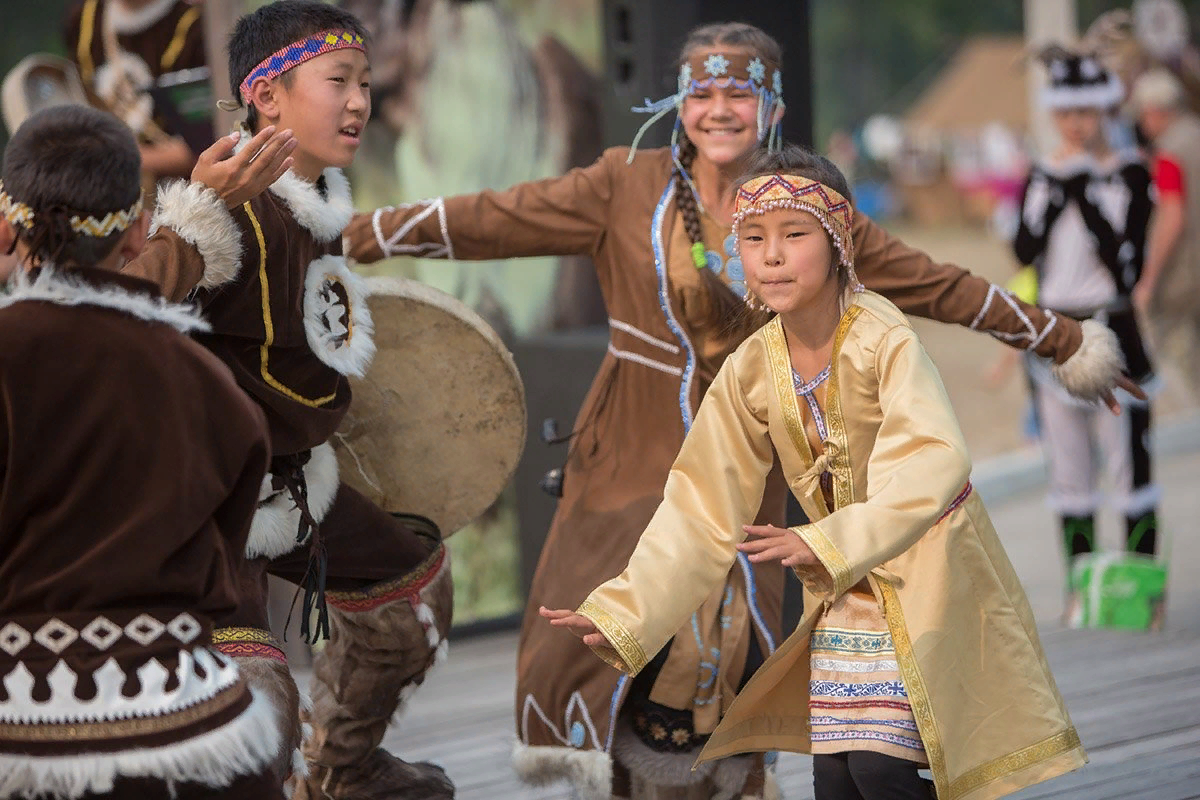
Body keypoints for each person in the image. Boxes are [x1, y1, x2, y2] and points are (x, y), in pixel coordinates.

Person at [343, 22, 1128, 799]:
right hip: (631, 457)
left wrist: (1063, 340)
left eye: (738, 91)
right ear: (680, 103)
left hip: (761, 475)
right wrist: (354, 234)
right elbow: (496, 217)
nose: (719, 109)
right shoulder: (625, 184)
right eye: (702, 91)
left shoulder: (818, 215)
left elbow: (937, 283)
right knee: (621, 655)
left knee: (750, 670)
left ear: (773, 102)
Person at [543, 144, 1088, 800]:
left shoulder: (883, 336)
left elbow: (935, 459)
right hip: (842, 585)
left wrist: (823, 541)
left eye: (794, 234)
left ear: (838, 242)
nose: (771, 255)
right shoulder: (753, 366)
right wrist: (626, 612)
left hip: (927, 572)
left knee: (879, 771)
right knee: (835, 778)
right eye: (752, 238)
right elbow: (701, 505)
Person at [120, 2, 455, 796]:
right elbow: (125, 320)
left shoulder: (315, 198)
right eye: (339, 81)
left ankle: (341, 768)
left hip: (296, 479)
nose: (360, 102)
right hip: (210, 506)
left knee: (410, 601)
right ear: (266, 95)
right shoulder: (223, 204)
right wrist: (196, 218)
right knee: (252, 702)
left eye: (366, 83)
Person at [0, 104, 287, 799]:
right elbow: (223, 555)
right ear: (135, 231)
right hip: (193, 732)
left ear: (9, 227)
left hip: (20, 731)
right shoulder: (206, 381)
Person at [1014, 47, 1162, 629]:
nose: (1076, 123)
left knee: (1130, 466)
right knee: (1069, 471)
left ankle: (1142, 593)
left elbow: (1125, 262)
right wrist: (1057, 189)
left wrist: (1080, 190)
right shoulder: (1042, 174)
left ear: (1102, 110)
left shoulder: (1128, 172)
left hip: (1112, 324)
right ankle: (1082, 591)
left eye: (1086, 111)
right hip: (1056, 329)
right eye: (1065, 111)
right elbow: (1025, 251)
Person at [65, 0, 215, 181]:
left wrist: (112, 158)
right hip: (102, 186)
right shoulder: (85, 17)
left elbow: (207, 149)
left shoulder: (194, 27)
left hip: (175, 193)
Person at [1131, 67, 1200, 400]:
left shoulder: (1169, 152)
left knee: (1185, 363)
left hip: (1184, 276)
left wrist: (1149, 279)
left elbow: (1171, 216)